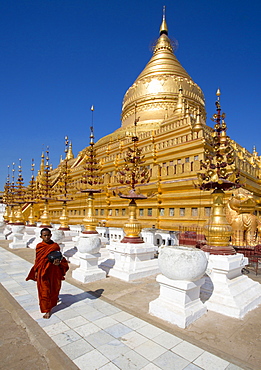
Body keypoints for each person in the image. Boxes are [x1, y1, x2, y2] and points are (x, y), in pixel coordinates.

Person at [26, 228, 69, 319]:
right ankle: (47, 310)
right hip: (43, 271)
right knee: (44, 291)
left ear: (51, 235)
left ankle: (55, 297)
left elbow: (59, 257)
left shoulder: (55, 246)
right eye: (44, 235)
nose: (46, 237)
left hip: (54, 271)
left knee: (55, 288)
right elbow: (38, 260)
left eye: (48, 235)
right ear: (41, 236)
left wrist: (59, 262)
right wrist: (36, 271)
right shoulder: (39, 246)